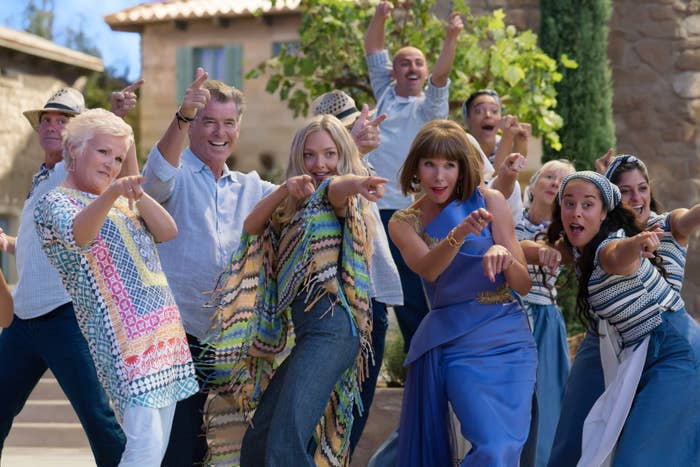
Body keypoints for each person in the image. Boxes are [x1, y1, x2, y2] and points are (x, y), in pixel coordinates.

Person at [203, 114, 387, 466]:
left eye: (330, 154)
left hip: (333, 334)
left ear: (343, 155)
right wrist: (285, 189)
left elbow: (336, 188)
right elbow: (252, 226)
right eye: (310, 155)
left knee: (285, 445)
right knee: (259, 439)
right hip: (310, 338)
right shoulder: (293, 205)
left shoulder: (337, 200)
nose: (320, 164)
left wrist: (358, 182)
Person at [34, 108, 198, 465]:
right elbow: (78, 235)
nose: (112, 164)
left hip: (164, 336)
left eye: (119, 158)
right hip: (123, 341)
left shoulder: (123, 200)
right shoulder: (54, 202)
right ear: (74, 149)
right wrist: (113, 193)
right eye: (103, 152)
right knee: (144, 449)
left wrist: (133, 193)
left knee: (155, 451)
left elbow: (168, 230)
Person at [137, 68, 278, 466]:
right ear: (192, 126)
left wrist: (352, 149)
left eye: (229, 123)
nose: (220, 132)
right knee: (178, 448)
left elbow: (305, 193)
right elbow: (153, 180)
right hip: (177, 335)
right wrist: (181, 116)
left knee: (221, 450)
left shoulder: (252, 187)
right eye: (209, 121)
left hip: (230, 340)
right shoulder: (174, 176)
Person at [388, 120, 537, 466]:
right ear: (416, 167)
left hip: (510, 339)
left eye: (449, 165)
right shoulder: (403, 221)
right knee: (493, 448)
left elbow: (524, 284)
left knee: (507, 448)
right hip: (457, 343)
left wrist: (504, 255)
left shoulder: (490, 200)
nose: (439, 176)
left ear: (461, 168)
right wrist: (459, 233)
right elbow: (429, 269)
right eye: (430, 164)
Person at [536, 170, 700, 466]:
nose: (576, 212)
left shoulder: (608, 247)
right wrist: (528, 250)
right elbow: (527, 249)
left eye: (587, 205)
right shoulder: (578, 248)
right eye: (569, 203)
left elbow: (618, 255)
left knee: (640, 459)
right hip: (636, 352)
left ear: (604, 214)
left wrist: (636, 245)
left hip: (675, 350)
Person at [0, 88, 126, 465]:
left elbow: (106, 157)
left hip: (66, 316)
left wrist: (114, 117)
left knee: (98, 418)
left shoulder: (76, 174)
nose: (52, 126)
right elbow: (39, 243)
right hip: (22, 321)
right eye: (47, 120)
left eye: (63, 120)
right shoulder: (40, 179)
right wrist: (8, 243)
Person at [364, 0, 462, 363]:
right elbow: (373, 48)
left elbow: (441, 77)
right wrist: (380, 15)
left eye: (418, 63)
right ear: (394, 72)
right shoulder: (386, 94)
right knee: (375, 300)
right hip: (374, 211)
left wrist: (450, 38)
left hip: (409, 214)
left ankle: (425, 363)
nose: (412, 68)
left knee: (413, 300)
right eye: (404, 62)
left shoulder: (430, 108)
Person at [311, 89, 402, 455]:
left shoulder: (363, 165)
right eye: (347, 130)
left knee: (356, 408)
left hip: (372, 298)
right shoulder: (320, 172)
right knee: (330, 408)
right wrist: (355, 151)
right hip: (338, 303)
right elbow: (329, 195)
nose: (360, 132)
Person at [515, 159, 575, 467]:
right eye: (549, 175)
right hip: (508, 315)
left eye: (562, 181)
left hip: (544, 319)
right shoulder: (511, 219)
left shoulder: (566, 234)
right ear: (534, 184)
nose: (554, 182)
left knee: (547, 398)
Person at [461, 89, 529, 222]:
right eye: (478, 111)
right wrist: (507, 136)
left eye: (494, 111)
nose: (488, 115)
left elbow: (507, 182)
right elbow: (496, 181)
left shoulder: (504, 143)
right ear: (467, 120)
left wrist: (521, 141)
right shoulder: (463, 144)